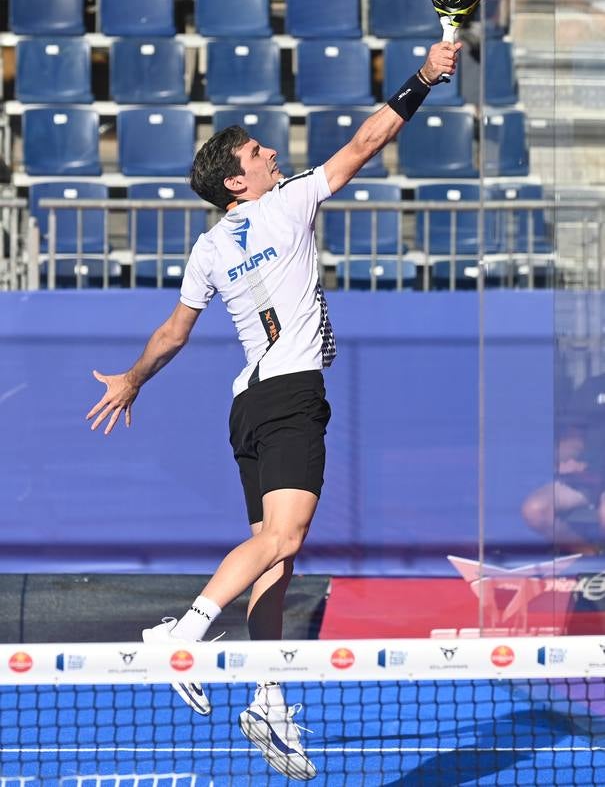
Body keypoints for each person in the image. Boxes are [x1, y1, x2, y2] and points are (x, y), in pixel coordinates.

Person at [86, 39, 460, 781]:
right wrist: (422, 78)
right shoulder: (289, 200)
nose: (270, 154)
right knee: (284, 539)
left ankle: (266, 695)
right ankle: (182, 634)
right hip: (289, 396)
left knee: (275, 557)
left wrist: (132, 379)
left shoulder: (207, 248)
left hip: (249, 406)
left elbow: (173, 333)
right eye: (258, 152)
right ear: (238, 181)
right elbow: (367, 139)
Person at [522, 372, 605, 557]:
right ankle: (591, 557)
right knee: (535, 509)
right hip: (588, 476)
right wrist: (564, 461)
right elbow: (573, 438)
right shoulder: (592, 386)